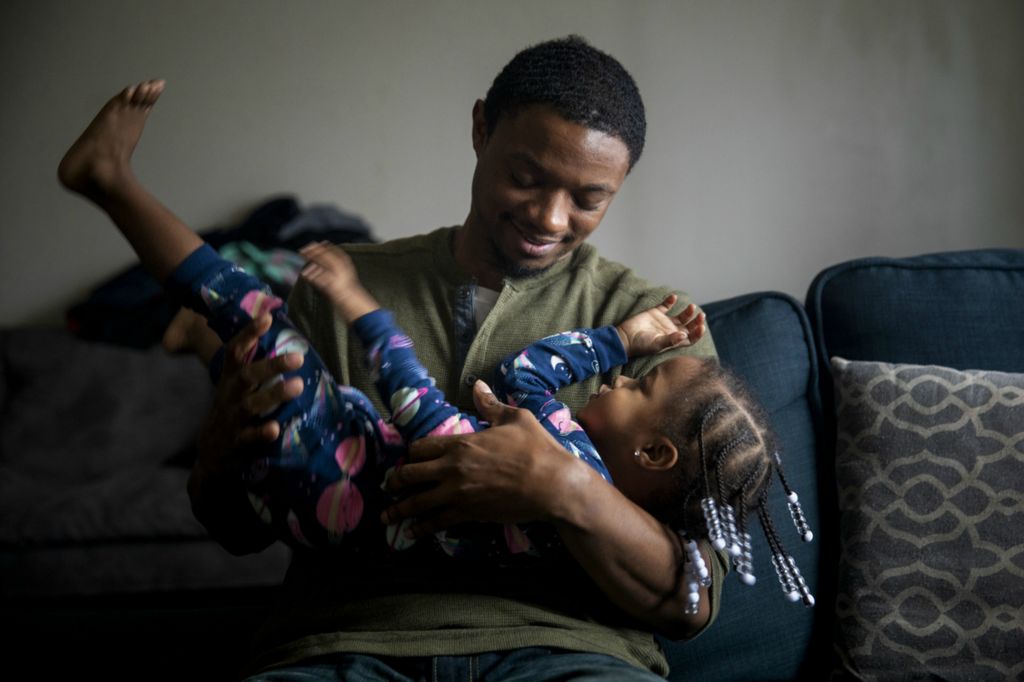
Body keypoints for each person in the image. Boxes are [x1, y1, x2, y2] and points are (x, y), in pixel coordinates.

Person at [64, 36, 810, 680]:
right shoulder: (336, 280)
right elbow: (235, 525)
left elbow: (692, 601)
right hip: (345, 643)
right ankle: (113, 185)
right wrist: (217, 456)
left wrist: (564, 489)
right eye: (528, 176)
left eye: (589, 198)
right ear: (481, 129)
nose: (551, 217)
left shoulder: (664, 331)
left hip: (566, 651)